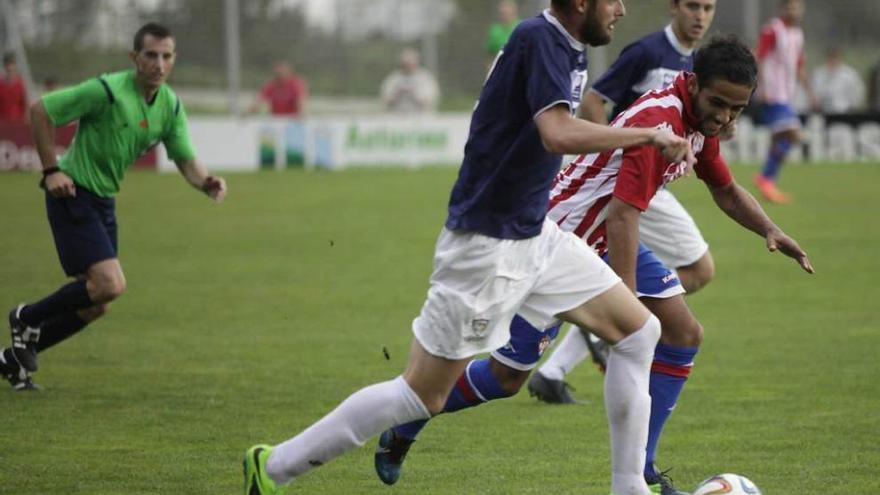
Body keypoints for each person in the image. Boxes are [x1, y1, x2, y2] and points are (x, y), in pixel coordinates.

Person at [243, 2, 696, 494]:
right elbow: (556, 133)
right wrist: (646, 135)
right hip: (486, 245)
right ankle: (272, 468)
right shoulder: (539, 39)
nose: (623, 9)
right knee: (421, 394)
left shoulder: (569, 47)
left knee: (638, 331)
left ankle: (629, 488)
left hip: (535, 235)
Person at [372, 35, 813, 495]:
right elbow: (624, 215)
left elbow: (723, 188)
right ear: (694, 83)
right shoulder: (659, 121)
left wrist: (769, 229)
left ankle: (641, 470)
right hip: (556, 241)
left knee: (684, 332)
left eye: (736, 110)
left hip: (602, 239)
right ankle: (407, 420)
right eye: (719, 103)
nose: (725, 117)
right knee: (506, 378)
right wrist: (622, 306)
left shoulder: (700, 121)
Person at [0, 23, 227, 391]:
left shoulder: (169, 105)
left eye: (166, 56)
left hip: (103, 200)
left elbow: (185, 158)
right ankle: (26, 317)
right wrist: (51, 170)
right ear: (134, 57)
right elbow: (41, 111)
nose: (158, 63)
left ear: (174, 59)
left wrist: (206, 182)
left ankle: (14, 358)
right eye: (150, 55)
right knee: (110, 284)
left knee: (96, 303)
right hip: (71, 192)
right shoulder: (106, 90)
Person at [530, 0, 719, 408]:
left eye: (709, 7)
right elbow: (594, 102)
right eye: (693, 6)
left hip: (648, 184)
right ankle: (599, 318)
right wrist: (609, 158)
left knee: (697, 272)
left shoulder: (705, 67)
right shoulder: (647, 52)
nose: (700, 16)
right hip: (620, 182)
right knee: (663, 288)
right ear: (673, 8)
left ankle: (565, 356)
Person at [752, 0, 816, 204]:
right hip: (772, 93)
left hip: (787, 95)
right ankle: (766, 178)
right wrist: (761, 85)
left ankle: (766, 180)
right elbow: (759, 57)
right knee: (794, 134)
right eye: (790, 6)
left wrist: (811, 93)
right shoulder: (772, 30)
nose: (794, 11)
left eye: (798, 7)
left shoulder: (798, 35)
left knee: (785, 138)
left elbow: (799, 66)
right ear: (782, 9)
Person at [379, 48, 440, 113]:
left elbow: (430, 100)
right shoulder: (393, 79)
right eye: (405, 64)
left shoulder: (425, 78)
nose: (408, 66)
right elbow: (385, 100)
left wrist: (413, 93)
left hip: (421, 117)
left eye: (410, 64)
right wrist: (398, 93)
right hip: (397, 117)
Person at [811, 46, 865, 114]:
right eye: (831, 57)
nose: (833, 60)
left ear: (840, 58)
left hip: (845, 113)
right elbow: (814, 94)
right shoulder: (818, 74)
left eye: (836, 57)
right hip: (822, 112)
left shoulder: (850, 75)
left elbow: (857, 96)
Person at [486, 0, 521, 64]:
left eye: (507, 11)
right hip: (500, 69)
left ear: (514, 11)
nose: (504, 13)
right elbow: (490, 55)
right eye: (503, 12)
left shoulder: (522, 27)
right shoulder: (495, 30)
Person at [0, 52, 28, 123]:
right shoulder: (1, 84)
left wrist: (24, 119)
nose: (9, 67)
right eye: (7, 64)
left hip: (17, 121)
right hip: (3, 121)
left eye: (12, 64)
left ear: (15, 65)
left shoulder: (20, 84)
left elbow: (24, 104)